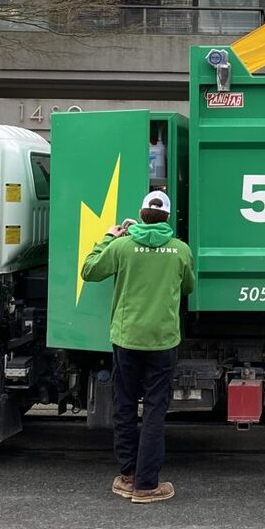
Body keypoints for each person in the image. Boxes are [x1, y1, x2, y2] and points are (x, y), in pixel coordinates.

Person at [80, 188, 195, 504]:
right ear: (167, 218)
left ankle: (127, 477)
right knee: (156, 408)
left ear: (142, 216)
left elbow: (89, 270)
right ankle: (147, 485)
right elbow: (189, 285)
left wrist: (108, 235)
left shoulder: (121, 246)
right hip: (162, 340)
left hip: (126, 338)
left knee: (125, 405)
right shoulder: (180, 250)